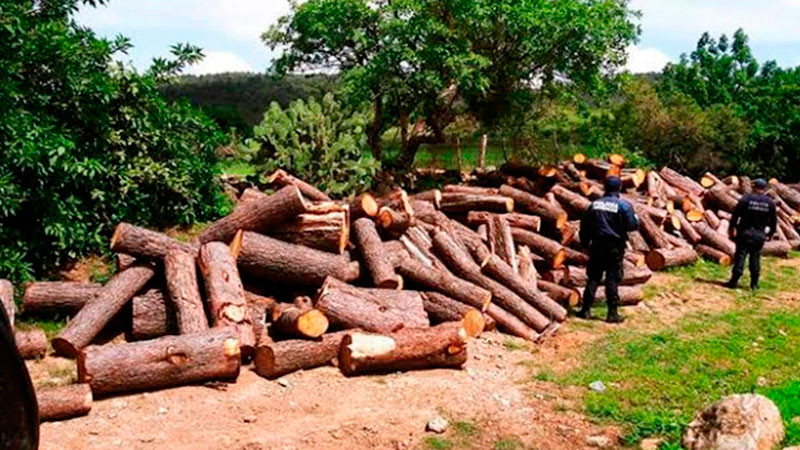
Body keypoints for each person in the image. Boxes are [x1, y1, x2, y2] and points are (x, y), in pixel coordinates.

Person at [576, 176, 639, 323]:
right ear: (619, 188)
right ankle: (612, 313)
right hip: (614, 247)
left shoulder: (594, 205)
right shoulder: (623, 206)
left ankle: (585, 310)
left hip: (596, 245)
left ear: (604, 187)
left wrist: (585, 244)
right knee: (612, 278)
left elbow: (584, 226)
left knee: (593, 277)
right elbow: (632, 226)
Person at [723, 178, 777, 290]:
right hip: (759, 235)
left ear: (754, 187)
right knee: (755, 258)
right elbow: (773, 221)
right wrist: (770, 234)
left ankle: (734, 281)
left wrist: (731, 229)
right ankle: (754, 284)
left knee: (740, 256)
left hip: (744, 233)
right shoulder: (770, 203)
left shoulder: (746, 199)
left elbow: (735, 216)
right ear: (764, 188)